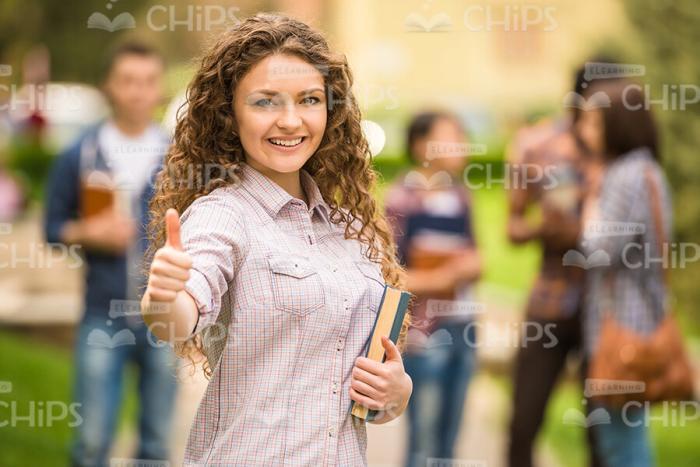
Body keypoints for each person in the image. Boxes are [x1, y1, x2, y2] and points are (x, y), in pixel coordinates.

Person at [139, 14, 413, 466]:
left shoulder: (346, 230)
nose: (290, 121)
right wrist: (164, 296)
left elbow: (365, 382)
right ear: (230, 114)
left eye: (309, 100)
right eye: (266, 102)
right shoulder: (224, 215)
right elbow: (176, 319)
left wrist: (396, 392)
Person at [44, 42, 175, 467]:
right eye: (128, 81)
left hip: (167, 321)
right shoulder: (79, 154)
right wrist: (86, 232)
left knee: (155, 447)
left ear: (159, 90)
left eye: (148, 82)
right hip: (100, 316)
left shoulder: (180, 159)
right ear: (110, 87)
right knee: (91, 444)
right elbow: (52, 227)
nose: (138, 92)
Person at [505, 65, 602, 467]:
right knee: (524, 419)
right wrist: (542, 227)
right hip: (551, 299)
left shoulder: (622, 148)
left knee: (605, 427)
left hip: (606, 306)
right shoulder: (539, 145)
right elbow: (512, 228)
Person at [576, 79, 667, 467]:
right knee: (626, 436)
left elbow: (598, 250)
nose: (584, 132)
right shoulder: (647, 169)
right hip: (640, 319)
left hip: (620, 328)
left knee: (621, 446)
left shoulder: (624, 175)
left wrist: (591, 200)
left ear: (618, 125)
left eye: (593, 123)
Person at [384, 111, 481, 467]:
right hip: (425, 335)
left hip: (463, 328)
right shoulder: (402, 200)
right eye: (450, 137)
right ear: (422, 145)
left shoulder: (461, 197)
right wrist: (444, 278)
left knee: (450, 441)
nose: (462, 146)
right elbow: (390, 276)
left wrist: (471, 266)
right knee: (422, 441)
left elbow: (476, 257)